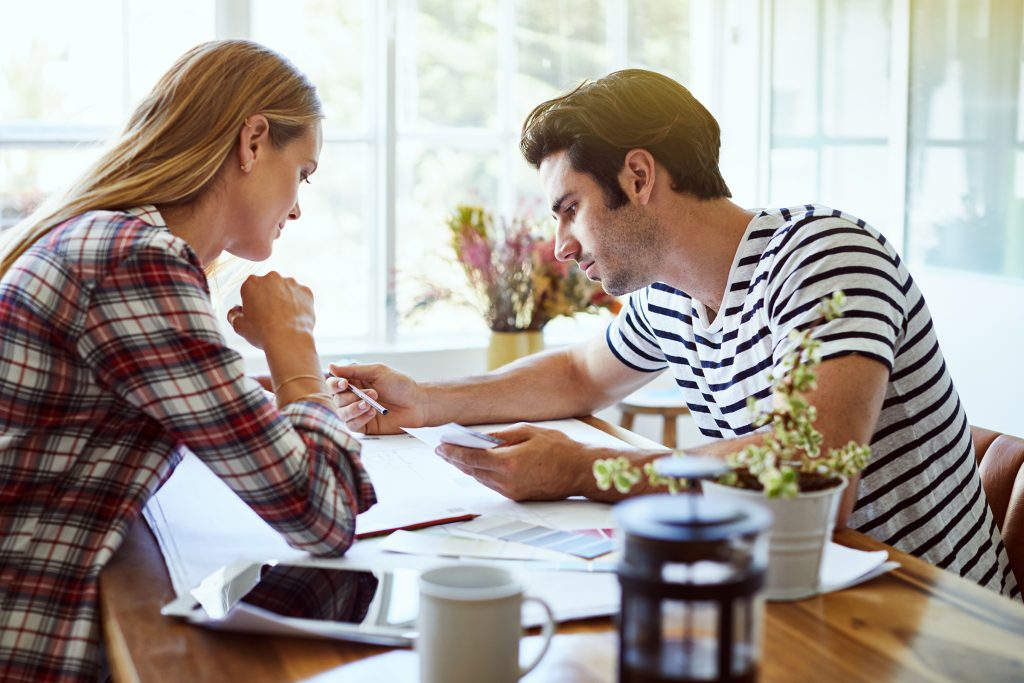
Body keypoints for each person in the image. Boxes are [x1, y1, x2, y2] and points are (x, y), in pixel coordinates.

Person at [329, 68, 1016, 597]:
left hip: (937, 616)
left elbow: (817, 468)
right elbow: (576, 375)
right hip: (807, 588)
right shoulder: (669, 298)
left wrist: (585, 470)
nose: (561, 246)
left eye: (570, 209)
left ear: (637, 175)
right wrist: (426, 399)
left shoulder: (823, 254)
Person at [0, 40, 376, 682]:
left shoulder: (106, 238)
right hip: (30, 639)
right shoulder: (135, 261)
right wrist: (294, 345)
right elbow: (324, 516)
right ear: (254, 140)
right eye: (302, 172)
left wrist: (266, 396)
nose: (297, 206)